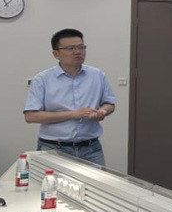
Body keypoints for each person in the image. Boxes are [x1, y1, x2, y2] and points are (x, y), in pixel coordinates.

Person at [23, 28, 116, 167]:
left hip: (91, 149)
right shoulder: (42, 79)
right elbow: (31, 116)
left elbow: (110, 104)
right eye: (71, 48)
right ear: (56, 54)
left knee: (95, 182)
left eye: (81, 47)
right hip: (54, 149)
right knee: (51, 181)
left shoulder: (97, 75)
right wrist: (73, 114)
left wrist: (102, 111)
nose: (78, 52)